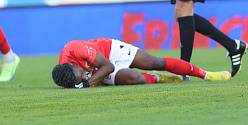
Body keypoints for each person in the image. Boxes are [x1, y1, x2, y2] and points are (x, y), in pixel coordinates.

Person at [52, 37, 231, 88]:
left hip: (110, 52)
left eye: (80, 74)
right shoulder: (67, 75)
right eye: (79, 79)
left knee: (155, 62)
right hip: (100, 68)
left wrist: (89, 82)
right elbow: (81, 81)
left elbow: (109, 66)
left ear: (73, 65)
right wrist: (83, 83)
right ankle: (160, 79)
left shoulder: (75, 48)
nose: (82, 76)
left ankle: (206, 74)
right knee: (135, 78)